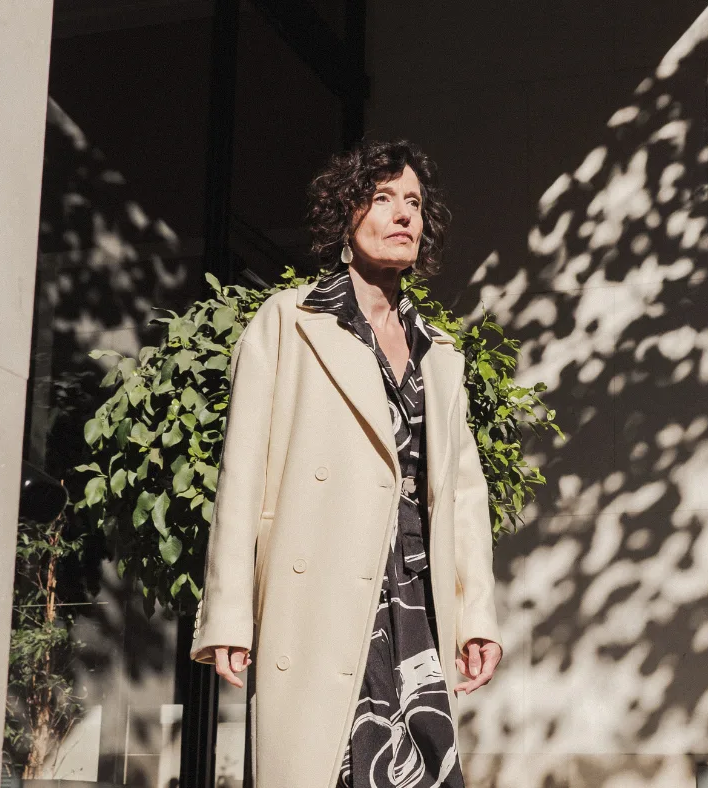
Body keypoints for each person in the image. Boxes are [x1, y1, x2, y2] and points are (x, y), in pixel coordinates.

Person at [190, 139, 503, 788]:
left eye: (413, 203)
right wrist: (227, 611)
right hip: (323, 592)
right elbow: (242, 472)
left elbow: (464, 493)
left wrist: (477, 615)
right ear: (347, 217)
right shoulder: (290, 323)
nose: (402, 215)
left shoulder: (438, 351)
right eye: (383, 198)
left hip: (416, 599)